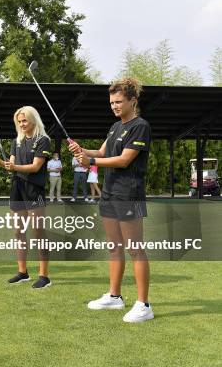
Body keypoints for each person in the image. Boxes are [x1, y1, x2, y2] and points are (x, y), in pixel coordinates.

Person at [70, 77, 153, 323]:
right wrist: (83, 151)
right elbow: (104, 153)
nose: (114, 106)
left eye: (118, 102)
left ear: (132, 101)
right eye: (112, 102)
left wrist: (91, 162)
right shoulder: (114, 127)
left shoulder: (140, 126)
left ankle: (144, 304)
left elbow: (124, 160)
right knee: (114, 247)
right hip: (109, 193)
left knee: (135, 249)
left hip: (129, 194)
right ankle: (115, 296)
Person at [0, 106, 52, 289]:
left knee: (39, 233)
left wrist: (13, 167)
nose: (22, 124)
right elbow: (12, 164)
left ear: (33, 119)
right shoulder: (16, 141)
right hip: (17, 188)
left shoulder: (43, 140)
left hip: (34, 190)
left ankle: (44, 276)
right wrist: (2, 164)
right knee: (18, 232)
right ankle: (23, 272)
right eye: (19, 121)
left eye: (24, 120)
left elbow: (35, 167)